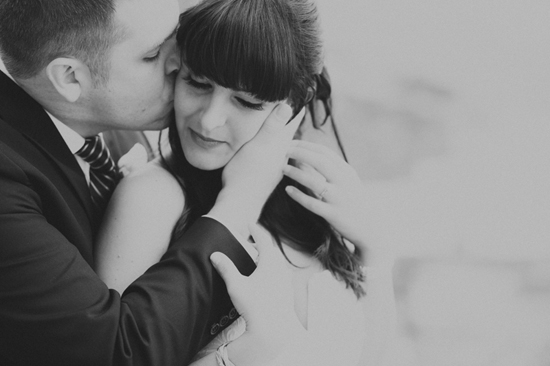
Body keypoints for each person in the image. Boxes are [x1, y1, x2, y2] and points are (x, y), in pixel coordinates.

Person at [0, 0, 305, 365]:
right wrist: (240, 199)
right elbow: (116, 354)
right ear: (69, 77)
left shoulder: (112, 129)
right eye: (152, 54)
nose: (179, 61)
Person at [95, 0, 396, 364]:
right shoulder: (153, 197)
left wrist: (375, 254)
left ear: (294, 105)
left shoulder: (313, 196)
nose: (209, 121)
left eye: (246, 101)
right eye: (198, 83)